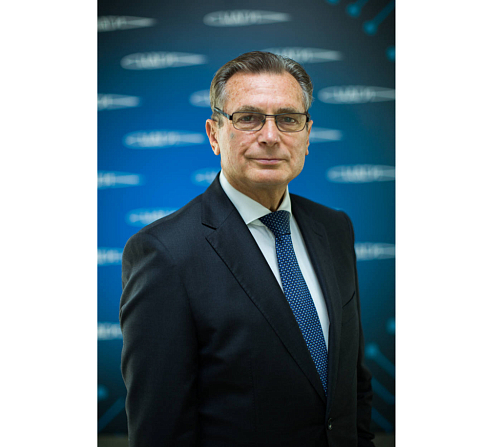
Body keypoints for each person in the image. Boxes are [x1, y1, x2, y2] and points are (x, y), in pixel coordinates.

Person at [120, 51, 375, 447]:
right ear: (214, 134)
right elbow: (160, 429)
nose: (270, 136)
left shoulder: (334, 228)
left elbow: (351, 385)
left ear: (307, 135)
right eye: (248, 118)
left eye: (288, 119)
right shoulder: (164, 253)